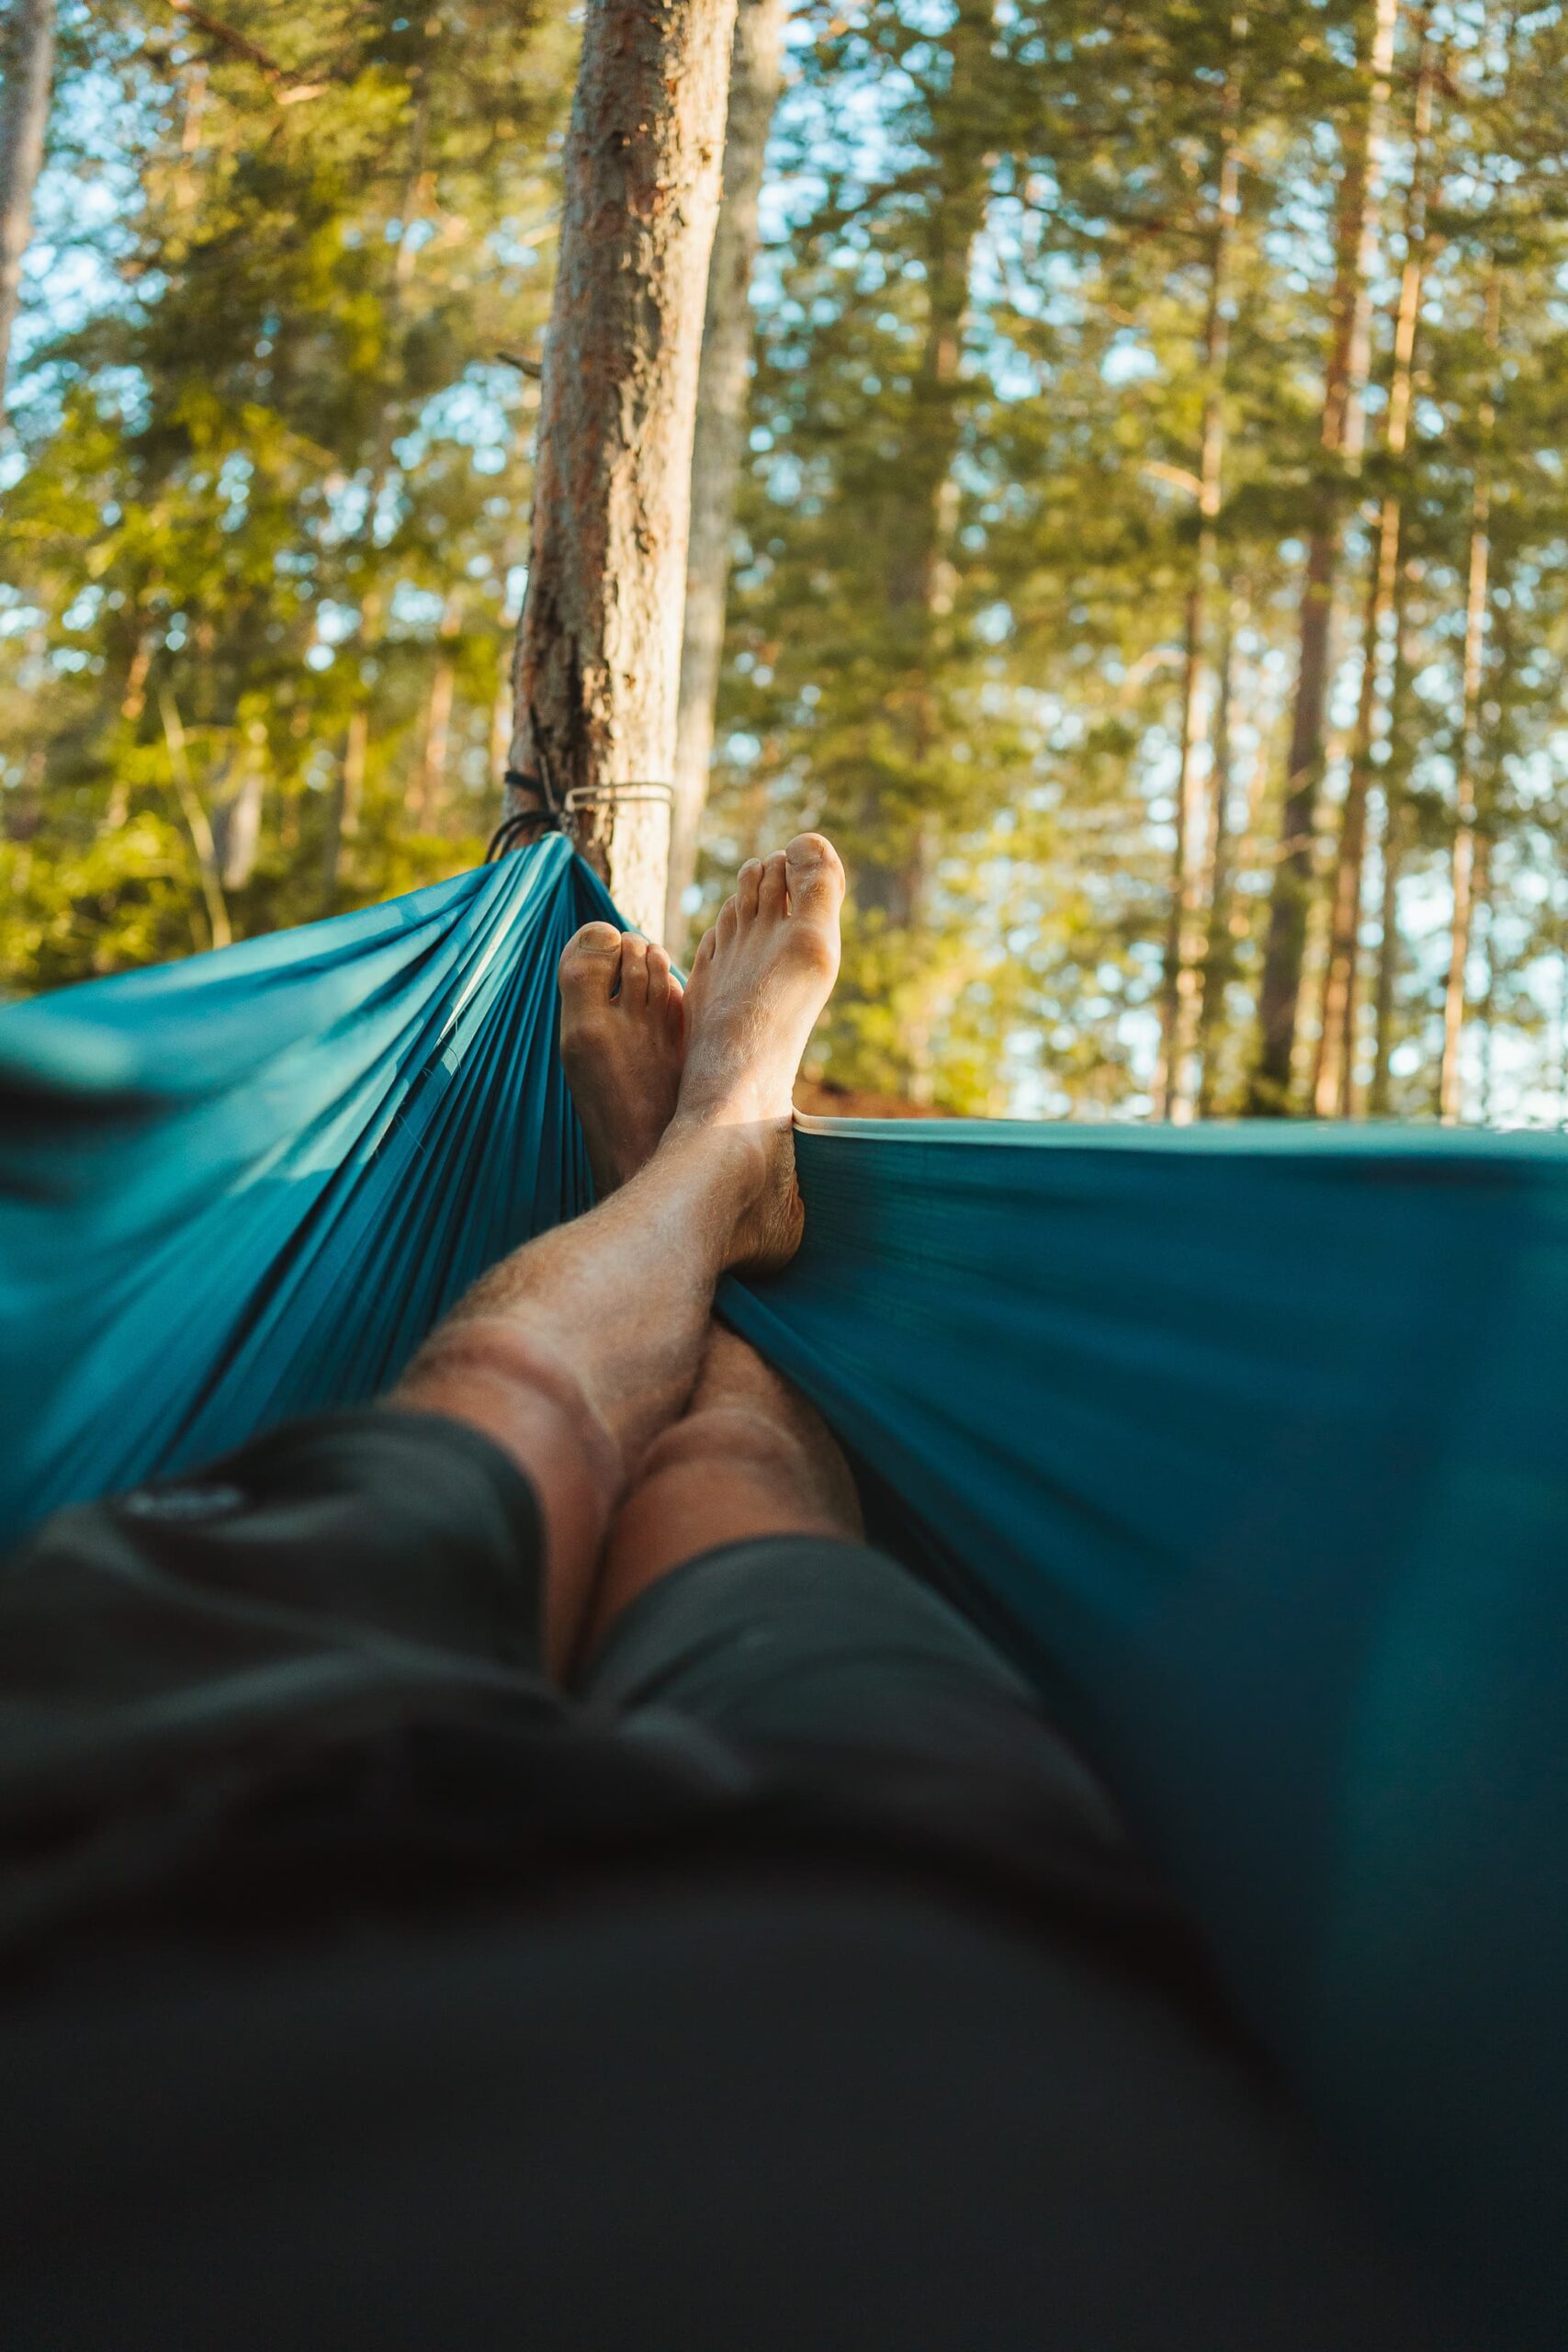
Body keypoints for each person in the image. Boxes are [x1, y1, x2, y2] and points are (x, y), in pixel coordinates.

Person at [1, 837, 1457, 2349]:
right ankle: (712, 1154)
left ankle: (681, 1179)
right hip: (894, 1974)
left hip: (115, 1855)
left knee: (470, 1430)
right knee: (738, 1521)